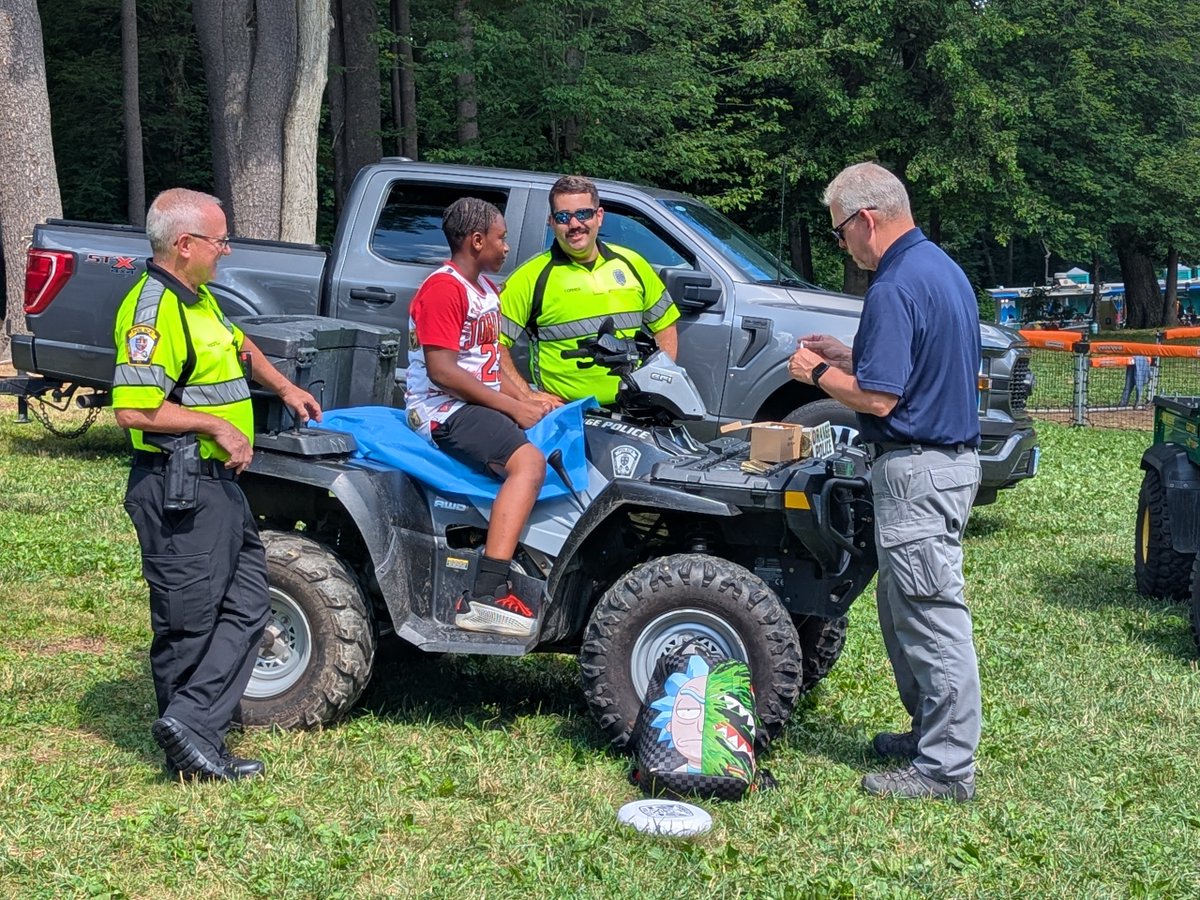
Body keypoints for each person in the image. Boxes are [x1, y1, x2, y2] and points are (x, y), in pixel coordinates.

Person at [113, 188, 322, 782]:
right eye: (219, 241)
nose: (225, 251)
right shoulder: (152, 310)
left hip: (217, 488)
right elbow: (133, 409)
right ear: (184, 244)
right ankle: (193, 748)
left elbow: (239, 345)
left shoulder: (198, 298)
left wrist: (284, 387)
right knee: (190, 620)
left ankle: (191, 722)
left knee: (250, 603)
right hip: (177, 488)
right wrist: (215, 425)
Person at [789, 162, 983, 802]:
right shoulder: (938, 269)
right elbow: (913, 364)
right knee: (904, 610)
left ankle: (945, 769)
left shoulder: (894, 285)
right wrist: (849, 355)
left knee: (930, 615)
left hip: (918, 469)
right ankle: (929, 733)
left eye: (840, 231)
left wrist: (817, 374)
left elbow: (878, 399)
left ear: (866, 219)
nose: (842, 244)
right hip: (941, 464)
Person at [406, 197, 548, 637]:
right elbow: (443, 372)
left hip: (472, 402)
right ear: (477, 240)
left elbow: (488, 362)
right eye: (501, 238)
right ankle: (486, 593)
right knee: (529, 464)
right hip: (441, 409)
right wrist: (513, 408)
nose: (507, 247)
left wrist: (530, 399)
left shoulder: (485, 290)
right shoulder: (443, 289)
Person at [498, 175, 680, 407]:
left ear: (599, 216)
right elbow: (490, 343)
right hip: (566, 412)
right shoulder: (530, 276)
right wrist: (526, 394)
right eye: (563, 217)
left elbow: (665, 326)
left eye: (583, 213)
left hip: (633, 410)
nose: (575, 224)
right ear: (551, 222)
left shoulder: (633, 264)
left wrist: (657, 385)